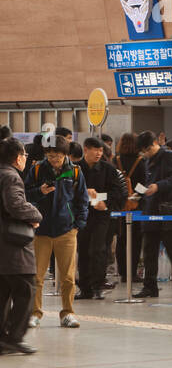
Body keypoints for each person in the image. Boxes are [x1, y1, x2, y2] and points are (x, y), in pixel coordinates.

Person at [25, 137, 88, 328]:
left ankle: (67, 313)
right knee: (37, 275)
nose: (54, 159)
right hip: (41, 230)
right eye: (50, 156)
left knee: (68, 276)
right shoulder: (36, 170)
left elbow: (82, 199)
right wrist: (40, 192)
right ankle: (35, 313)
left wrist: (78, 224)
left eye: (58, 156)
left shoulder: (75, 171)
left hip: (66, 230)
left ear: (66, 155)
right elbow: (25, 194)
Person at [133, 131, 172, 298]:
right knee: (148, 251)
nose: (144, 154)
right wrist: (139, 193)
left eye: (146, 150)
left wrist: (158, 186)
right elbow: (148, 181)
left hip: (166, 211)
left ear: (154, 144)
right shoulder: (148, 160)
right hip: (150, 210)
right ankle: (150, 286)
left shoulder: (168, 156)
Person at [0, 138, 42, 354]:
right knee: (26, 288)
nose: (26, 158)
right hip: (12, 246)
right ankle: (14, 337)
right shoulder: (11, 176)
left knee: (3, 292)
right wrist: (35, 215)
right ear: (18, 158)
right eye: (24, 155)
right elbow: (15, 204)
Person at [76, 137, 126, 301]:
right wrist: (84, 191)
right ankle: (84, 288)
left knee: (98, 249)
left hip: (101, 216)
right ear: (86, 149)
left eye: (100, 151)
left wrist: (105, 203)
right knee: (82, 250)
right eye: (95, 150)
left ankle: (98, 286)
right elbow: (66, 188)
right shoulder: (76, 169)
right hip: (82, 215)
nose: (98, 153)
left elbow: (118, 192)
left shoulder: (108, 169)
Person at [113, 131, 147, 286]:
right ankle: (131, 273)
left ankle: (121, 272)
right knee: (135, 240)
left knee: (121, 239)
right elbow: (144, 183)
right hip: (136, 207)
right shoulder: (141, 161)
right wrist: (136, 196)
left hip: (119, 205)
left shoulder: (115, 160)